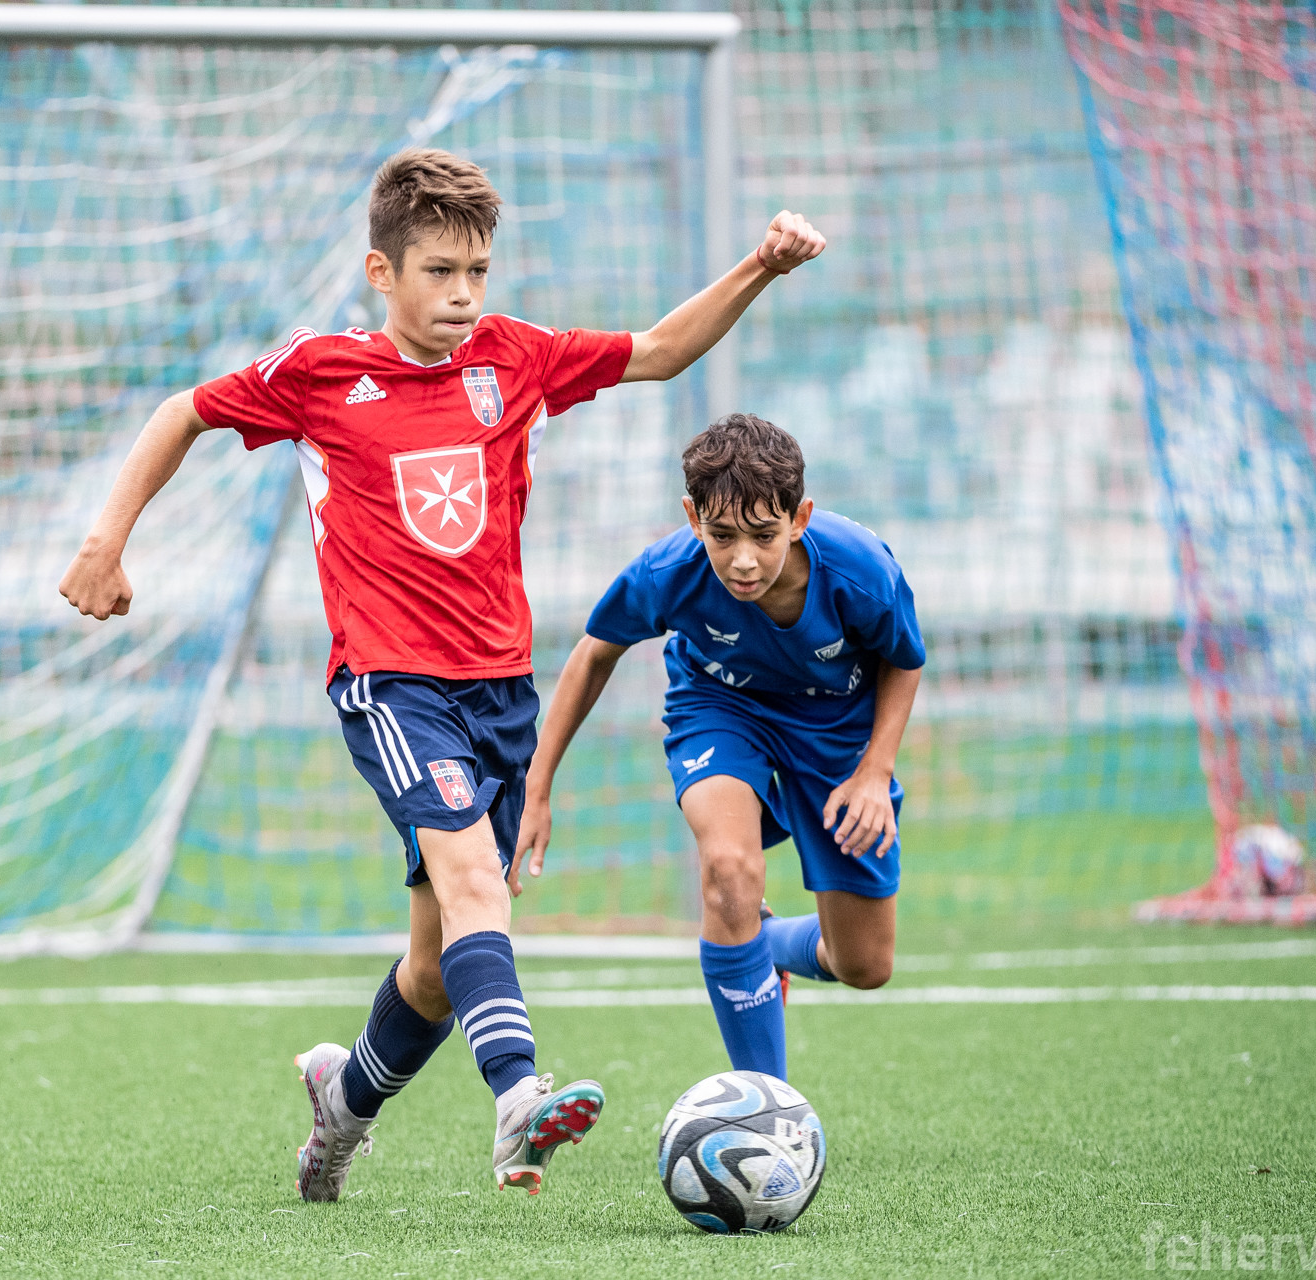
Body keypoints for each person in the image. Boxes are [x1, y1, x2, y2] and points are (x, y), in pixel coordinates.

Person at [57, 149, 827, 1199]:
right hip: (389, 684)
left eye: (477, 271)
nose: (464, 293)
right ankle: (516, 1098)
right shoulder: (321, 373)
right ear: (382, 272)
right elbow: (182, 411)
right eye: (439, 272)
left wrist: (761, 267)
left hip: (500, 692)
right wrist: (105, 541)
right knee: (475, 886)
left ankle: (342, 1102)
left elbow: (657, 351)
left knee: (435, 962)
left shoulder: (516, 357)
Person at [518, 413, 924, 1081]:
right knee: (729, 871)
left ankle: (763, 946)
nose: (743, 560)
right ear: (692, 517)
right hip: (720, 708)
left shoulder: (859, 570)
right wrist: (538, 786)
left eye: (764, 535)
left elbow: (904, 660)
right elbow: (594, 653)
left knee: (864, 965)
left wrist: (875, 772)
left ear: (799, 518)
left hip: (836, 730)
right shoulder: (669, 571)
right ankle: (765, 1107)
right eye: (721, 535)